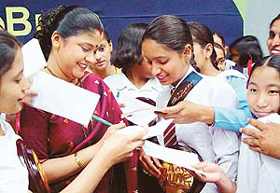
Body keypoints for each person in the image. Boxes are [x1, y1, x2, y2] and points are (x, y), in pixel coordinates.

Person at [0, 30, 146, 193]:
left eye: (98, 49)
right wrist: (104, 156)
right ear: (57, 40)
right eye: (17, 79)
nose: (27, 85)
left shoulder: (94, 84)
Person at [140, 15, 239, 193]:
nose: (154, 71)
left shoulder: (217, 90)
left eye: (162, 61)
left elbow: (228, 161)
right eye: (149, 62)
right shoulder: (162, 96)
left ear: (186, 52)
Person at [192, 55, 280, 193]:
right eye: (253, 90)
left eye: (273, 92)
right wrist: (221, 178)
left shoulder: (256, 130)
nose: (260, 102)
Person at [157, 21, 250, 132]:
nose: (184, 54)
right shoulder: (178, 86)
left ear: (208, 50)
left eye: (189, 49)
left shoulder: (230, 80)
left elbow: (248, 119)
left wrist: (206, 114)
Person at [104, 22, 165, 105]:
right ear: (133, 53)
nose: (156, 65)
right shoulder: (108, 86)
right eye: (150, 60)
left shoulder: (165, 87)